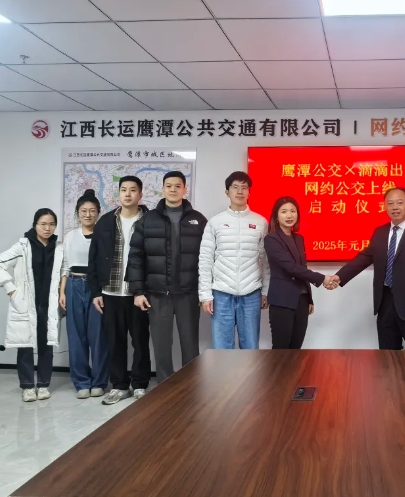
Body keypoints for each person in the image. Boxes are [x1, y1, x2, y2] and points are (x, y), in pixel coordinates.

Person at [332, 187, 405, 350]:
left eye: (399, 203)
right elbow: (364, 257)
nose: (395, 207)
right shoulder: (380, 232)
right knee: (387, 355)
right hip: (385, 302)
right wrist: (339, 276)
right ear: (384, 206)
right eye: (390, 203)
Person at [127, 171, 207, 383]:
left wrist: (205, 291)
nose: (173, 190)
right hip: (157, 293)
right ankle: (164, 385)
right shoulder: (148, 219)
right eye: (169, 186)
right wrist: (138, 291)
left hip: (188, 293)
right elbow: (136, 256)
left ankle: (191, 385)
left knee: (190, 344)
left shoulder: (198, 220)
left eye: (177, 186)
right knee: (161, 345)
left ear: (184, 189)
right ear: (162, 189)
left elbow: (209, 257)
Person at [88, 176, 151, 405]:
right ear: (119, 193)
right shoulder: (106, 222)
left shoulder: (150, 221)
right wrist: (96, 292)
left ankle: (140, 384)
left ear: (140, 195)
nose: (128, 194)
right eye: (124, 190)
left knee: (140, 341)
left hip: (138, 294)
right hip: (111, 292)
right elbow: (94, 258)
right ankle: (119, 385)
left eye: (133, 190)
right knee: (115, 342)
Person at [199, 171, 270, 350]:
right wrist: (205, 295)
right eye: (235, 187)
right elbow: (205, 260)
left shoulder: (260, 222)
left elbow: (265, 261)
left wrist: (265, 291)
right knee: (222, 349)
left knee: (251, 348)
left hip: (251, 293)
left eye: (244, 188)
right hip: (221, 294)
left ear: (249, 192)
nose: (240, 191)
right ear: (227, 192)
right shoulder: (215, 222)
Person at [0, 209, 64, 402]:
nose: (47, 228)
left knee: (46, 345)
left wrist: (62, 292)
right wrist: (11, 289)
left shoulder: (59, 247)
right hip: (26, 302)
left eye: (51, 224)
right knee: (25, 346)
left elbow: (65, 270)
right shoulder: (22, 246)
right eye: (43, 224)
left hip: (48, 302)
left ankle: (43, 385)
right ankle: (27, 387)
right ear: (35, 225)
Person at [264, 197, 335, 349]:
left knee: (296, 350)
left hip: (301, 300)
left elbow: (303, 268)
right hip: (282, 301)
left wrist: (309, 299)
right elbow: (291, 267)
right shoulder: (271, 239)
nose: (289, 215)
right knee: (281, 352)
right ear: (276, 216)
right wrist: (322, 278)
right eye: (284, 212)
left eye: (293, 211)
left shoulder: (299, 238)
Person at [60, 190, 109, 399]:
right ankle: (81, 382)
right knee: (76, 335)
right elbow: (65, 265)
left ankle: (99, 381)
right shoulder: (70, 236)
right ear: (77, 213)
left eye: (92, 211)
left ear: (98, 212)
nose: (88, 215)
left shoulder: (104, 235)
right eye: (83, 211)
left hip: (97, 288)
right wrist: (62, 292)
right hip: (73, 285)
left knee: (99, 336)